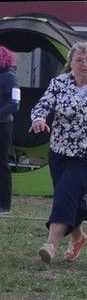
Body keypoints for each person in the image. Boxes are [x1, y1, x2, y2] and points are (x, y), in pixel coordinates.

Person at [29, 41, 87, 264]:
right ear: (70, 63)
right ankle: (78, 238)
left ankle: (50, 244)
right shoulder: (59, 84)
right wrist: (39, 119)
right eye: (79, 60)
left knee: (65, 193)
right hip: (59, 152)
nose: (84, 64)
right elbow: (42, 106)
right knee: (71, 197)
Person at [0, 46, 20, 214]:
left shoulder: (10, 77)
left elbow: (15, 104)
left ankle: (4, 205)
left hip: (3, 124)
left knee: (2, 163)